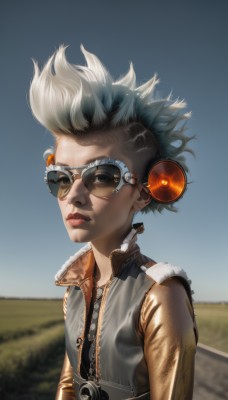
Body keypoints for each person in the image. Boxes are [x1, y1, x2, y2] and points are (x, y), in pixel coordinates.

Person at [29, 45, 198, 400]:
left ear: (145, 191)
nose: (73, 194)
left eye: (102, 175)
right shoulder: (73, 291)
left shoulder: (161, 296)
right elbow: (67, 383)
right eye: (60, 177)